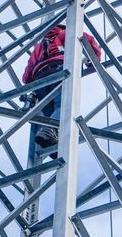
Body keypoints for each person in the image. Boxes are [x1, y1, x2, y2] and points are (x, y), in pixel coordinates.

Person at [22, 24, 101, 153]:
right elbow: (87, 39)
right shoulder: (63, 33)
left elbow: (26, 77)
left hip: (39, 81)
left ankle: (50, 142)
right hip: (59, 71)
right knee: (64, 106)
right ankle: (49, 133)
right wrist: (94, 58)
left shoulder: (38, 47)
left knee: (48, 114)